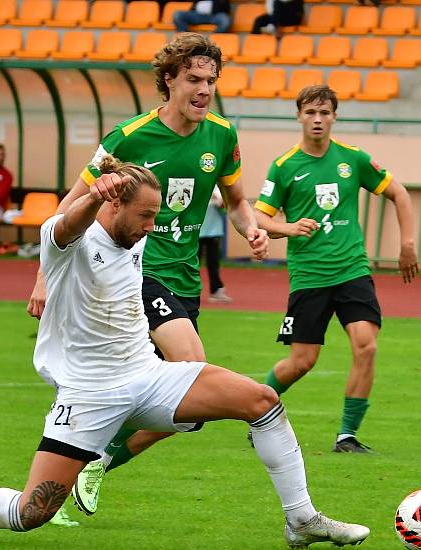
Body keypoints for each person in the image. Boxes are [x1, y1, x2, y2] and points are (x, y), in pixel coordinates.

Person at [0, 156, 370, 550]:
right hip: (88, 392)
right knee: (33, 510)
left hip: (146, 375)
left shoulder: (134, 237)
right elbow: (66, 226)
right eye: (144, 215)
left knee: (262, 401)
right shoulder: (67, 241)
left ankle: (302, 519)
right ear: (113, 204)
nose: (151, 226)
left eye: (154, 215)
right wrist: (92, 195)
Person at [27, 33, 269, 519]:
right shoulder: (128, 136)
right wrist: (44, 277)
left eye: (211, 81)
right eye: (194, 80)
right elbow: (69, 204)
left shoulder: (222, 135)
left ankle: (94, 456)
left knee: (185, 413)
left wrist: (252, 229)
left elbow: (238, 200)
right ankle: (87, 450)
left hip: (185, 280)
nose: (203, 90)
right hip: (137, 273)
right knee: (193, 368)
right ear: (169, 80)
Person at [254, 84, 418, 454]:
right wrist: (288, 228)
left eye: (324, 113)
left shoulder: (353, 159)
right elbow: (258, 216)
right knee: (301, 362)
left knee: (366, 346)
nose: (317, 119)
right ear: (299, 116)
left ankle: (347, 435)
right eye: (310, 112)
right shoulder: (284, 166)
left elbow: (400, 194)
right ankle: (257, 411)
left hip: (352, 271)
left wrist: (406, 244)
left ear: (333, 117)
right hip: (309, 277)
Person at [198, 186, 231, 302]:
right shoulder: (197, 186)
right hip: (196, 232)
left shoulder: (217, 188)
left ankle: (216, 290)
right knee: (193, 262)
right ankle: (189, 290)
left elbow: (225, 206)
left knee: (213, 262)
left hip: (214, 231)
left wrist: (217, 199)